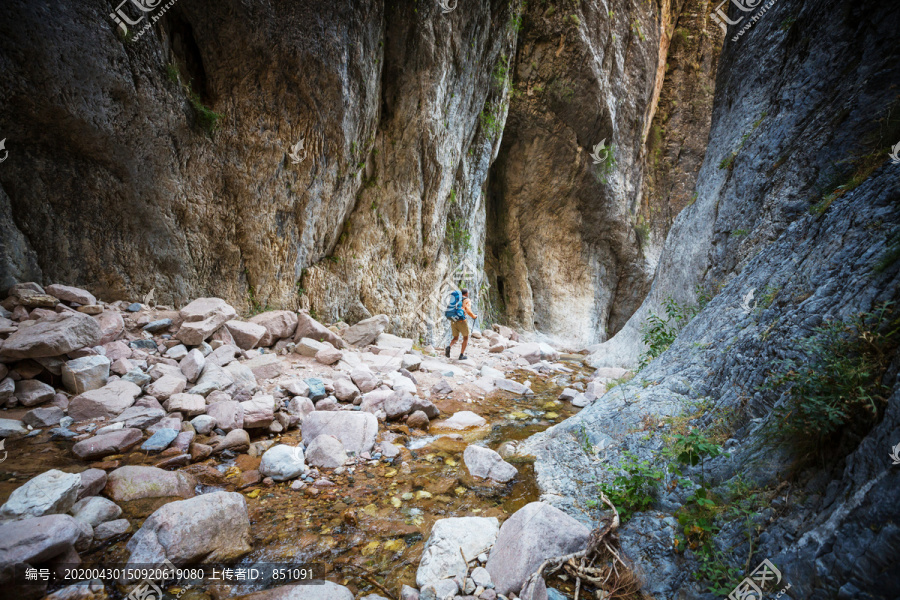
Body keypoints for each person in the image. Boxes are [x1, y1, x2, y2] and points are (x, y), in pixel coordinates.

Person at [445, 288, 478, 360]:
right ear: (466, 293)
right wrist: (474, 316)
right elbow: (468, 310)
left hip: (453, 320)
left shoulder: (456, 299)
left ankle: (449, 347)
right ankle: (461, 355)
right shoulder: (466, 300)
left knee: (456, 337)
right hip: (461, 321)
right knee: (466, 338)